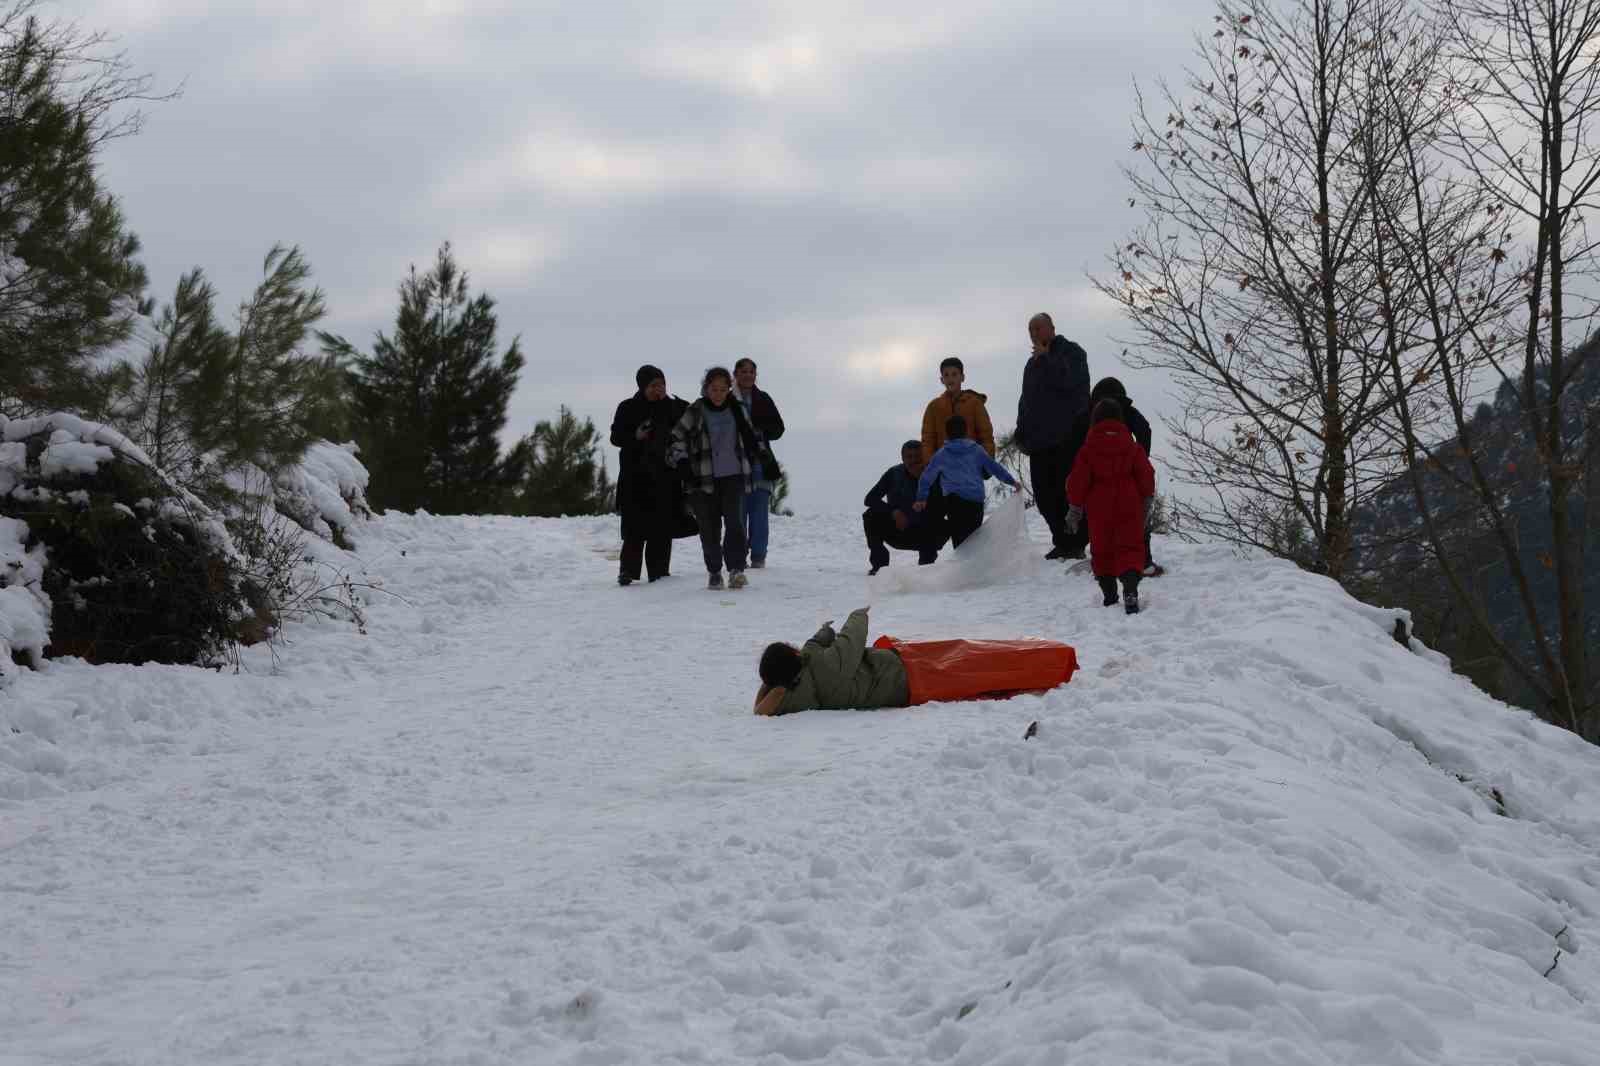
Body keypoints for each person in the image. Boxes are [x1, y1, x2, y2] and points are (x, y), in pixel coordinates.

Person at [752, 606, 1077, 715]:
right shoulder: (823, 667)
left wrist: (818, 638)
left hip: (906, 685)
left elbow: (763, 705)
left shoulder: (793, 698)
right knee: (977, 660)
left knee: (978, 669)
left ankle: (1046, 661)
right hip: (904, 670)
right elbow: (851, 642)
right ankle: (1053, 660)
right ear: (794, 655)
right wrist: (857, 614)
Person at [668, 366, 764, 590]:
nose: (718, 394)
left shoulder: (737, 409)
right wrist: (682, 462)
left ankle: (736, 570)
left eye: (723, 389)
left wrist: (762, 458)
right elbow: (676, 438)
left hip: (734, 476)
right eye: (714, 389)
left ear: (729, 389)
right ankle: (714, 571)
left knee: (735, 525)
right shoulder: (696, 410)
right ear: (706, 388)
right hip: (703, 479)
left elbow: (752, 437)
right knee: (709, 529)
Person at [1066, 398, 1157, 614]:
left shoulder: (1087, 450)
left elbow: (1077, 481)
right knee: (1130, 548)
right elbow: (1146, 475)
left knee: (1102, 550)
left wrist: (1075, 509)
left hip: (1099, 507)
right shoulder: (1132, 447)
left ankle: (1109, 596)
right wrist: (1146, 500)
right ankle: (1131, 589)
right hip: (1129, 503)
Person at [1014, 312, 1091, 560]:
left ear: (1051, 328)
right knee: (1044, 496)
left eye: (1038, 328)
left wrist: (1047, 359)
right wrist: (1021, 430)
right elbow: (1026, 400)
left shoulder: (1072, 352)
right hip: (1039, 441)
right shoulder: (1031, 363)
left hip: (1067, 438)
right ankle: (1061, 540)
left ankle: (1076, 542)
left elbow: (1071, 384)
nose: (1034, 333)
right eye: (1030, 330)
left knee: (1068, 493)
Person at [609, 365, 694, 585]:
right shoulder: (628, 408)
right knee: (633, 529)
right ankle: (628, 571)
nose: (659, 389)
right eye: (654, 385)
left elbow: (690, 428)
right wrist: (635, 435)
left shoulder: (674, 408)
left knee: (662, 527)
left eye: (662, 384)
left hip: (666, 477)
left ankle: (659, 572)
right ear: (642, 386)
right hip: (634, 477)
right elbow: (616, 437)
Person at [913, 415, 1019, 548]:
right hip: (975, 501)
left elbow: (926, 477)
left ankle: (963, 567)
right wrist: (1012, 481)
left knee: (960, 542)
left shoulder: (942, 454)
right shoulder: (976, 450)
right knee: (974, 540)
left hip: (954, 502)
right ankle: (976, 566)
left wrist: (921, 498)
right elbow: (994, 468)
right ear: (966, 431)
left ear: (947, 433)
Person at [862, 440, 947, 575]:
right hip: (900, 530)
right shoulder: (894, 473)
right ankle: (880, 567)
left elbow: (946, 506)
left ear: (925, 456)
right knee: (870, 515)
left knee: (944, 522)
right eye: (909, 457)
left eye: (917, 456)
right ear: (902, 458)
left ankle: (927, 566)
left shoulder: (936, 475)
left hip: (927, 533)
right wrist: (893, 512)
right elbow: (870, 499)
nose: (913, 461)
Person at [732, 358, 785, 570]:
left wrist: (762, 427)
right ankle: (737, 554)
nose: (748, 375)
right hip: (734, 462)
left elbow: (779, 429)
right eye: (743, 371)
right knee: (737, 511)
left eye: (751, 371)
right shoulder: (727, 398)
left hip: (761, 462)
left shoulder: (763, 398)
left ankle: (759, 555)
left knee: (760, 511)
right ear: (735, 374)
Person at [920, 357, 996, 458]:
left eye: (954, 374)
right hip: (944, 467)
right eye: (946, 375)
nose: (950, 379)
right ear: (942, 380)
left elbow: (986, 435)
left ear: (962, 377)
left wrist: (986, 465)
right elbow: (928, 439)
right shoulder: (933, 407)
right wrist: (932, 467)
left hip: (971, 465)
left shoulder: (974, 404)